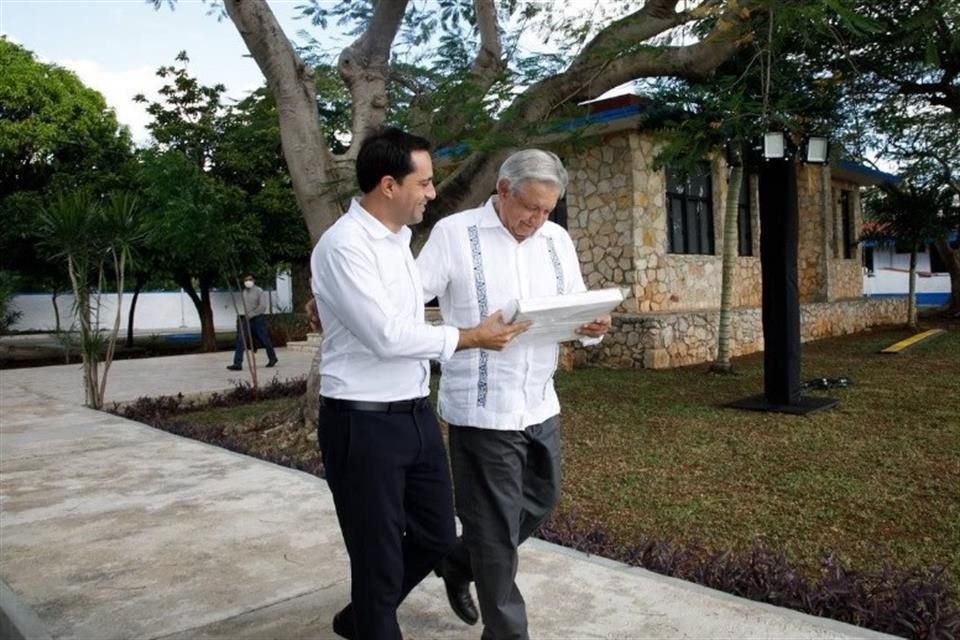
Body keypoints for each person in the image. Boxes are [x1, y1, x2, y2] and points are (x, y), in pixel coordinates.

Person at [310, 127, 529, 640]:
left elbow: (395, 316)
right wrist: (471, 337)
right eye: (424, 183)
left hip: (412, 413)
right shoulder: (344, 247)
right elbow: (387, 335)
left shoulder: (398, 242)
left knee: (434, 537)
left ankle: (363, 616)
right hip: (361, 422)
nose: (432, 193)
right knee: (378, 555)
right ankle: (374, 620)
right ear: (389, 185)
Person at [417, 149, 611, 640]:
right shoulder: (454, 234)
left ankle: (459, 562)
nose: (537, 220)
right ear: (503, 190)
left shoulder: (556, 240)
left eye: (548, 210)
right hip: (483, 407)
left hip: (540, 401)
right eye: (531, 207)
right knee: (497, 531)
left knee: (541, 500)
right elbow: (406, 295)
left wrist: (592, 326)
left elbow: (574, 305)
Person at [226, 273, 277, 371]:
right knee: (241, 340)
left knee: (264, 339)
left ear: (253, 281)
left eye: (249, 279)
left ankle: (272, 358)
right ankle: (237, 363)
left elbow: (262, 307)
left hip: (257, 319)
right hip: (247, 319)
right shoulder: (244, 292)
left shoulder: (259, 291)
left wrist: (252, 314)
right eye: (245, 280)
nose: (247, 282)